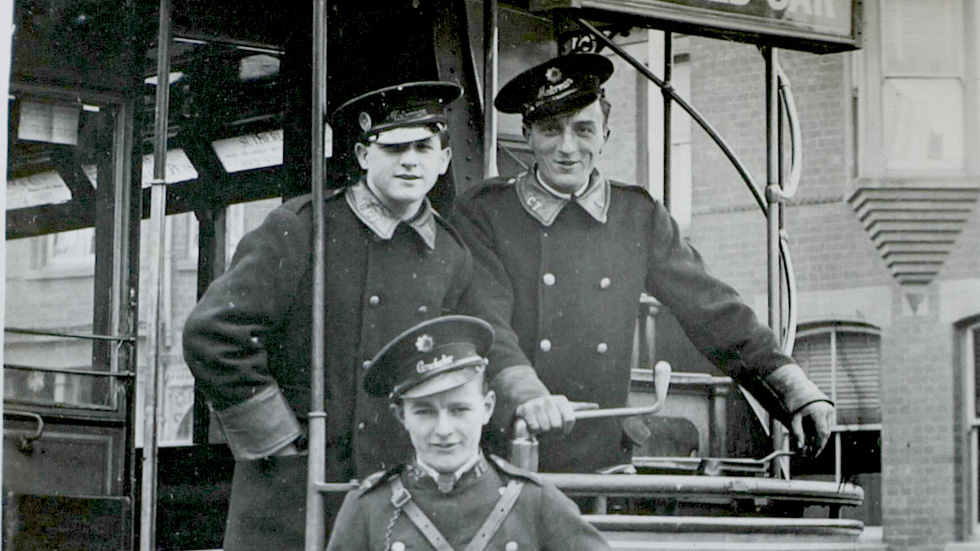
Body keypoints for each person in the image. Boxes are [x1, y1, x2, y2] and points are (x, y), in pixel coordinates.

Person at [451, 53, 834, 474]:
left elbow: (712, 309)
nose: (567, 147)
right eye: (549, 130)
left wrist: (793, 387)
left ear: (605, 135)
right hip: (512, 450)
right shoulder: (486, 213)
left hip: (602, 456)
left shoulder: (637, 215)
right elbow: (486, 324)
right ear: (528, 135)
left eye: (583, 130)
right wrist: (525, 395)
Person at [182, 81, 477, 551]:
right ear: (362, 155)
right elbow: (213, 333)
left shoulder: (451, 253)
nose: (410, 161)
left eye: (424, 147)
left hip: (395, 493)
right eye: (394, 147)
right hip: (294, 492)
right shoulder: (303, 228)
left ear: (443, 159)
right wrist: (280, 441)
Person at [326, 315, 612, 551]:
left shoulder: (534, 502)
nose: (444, 430)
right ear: (402, 417)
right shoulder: (368, 508)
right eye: (424, 412)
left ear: (487, 408)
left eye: (459, 410)